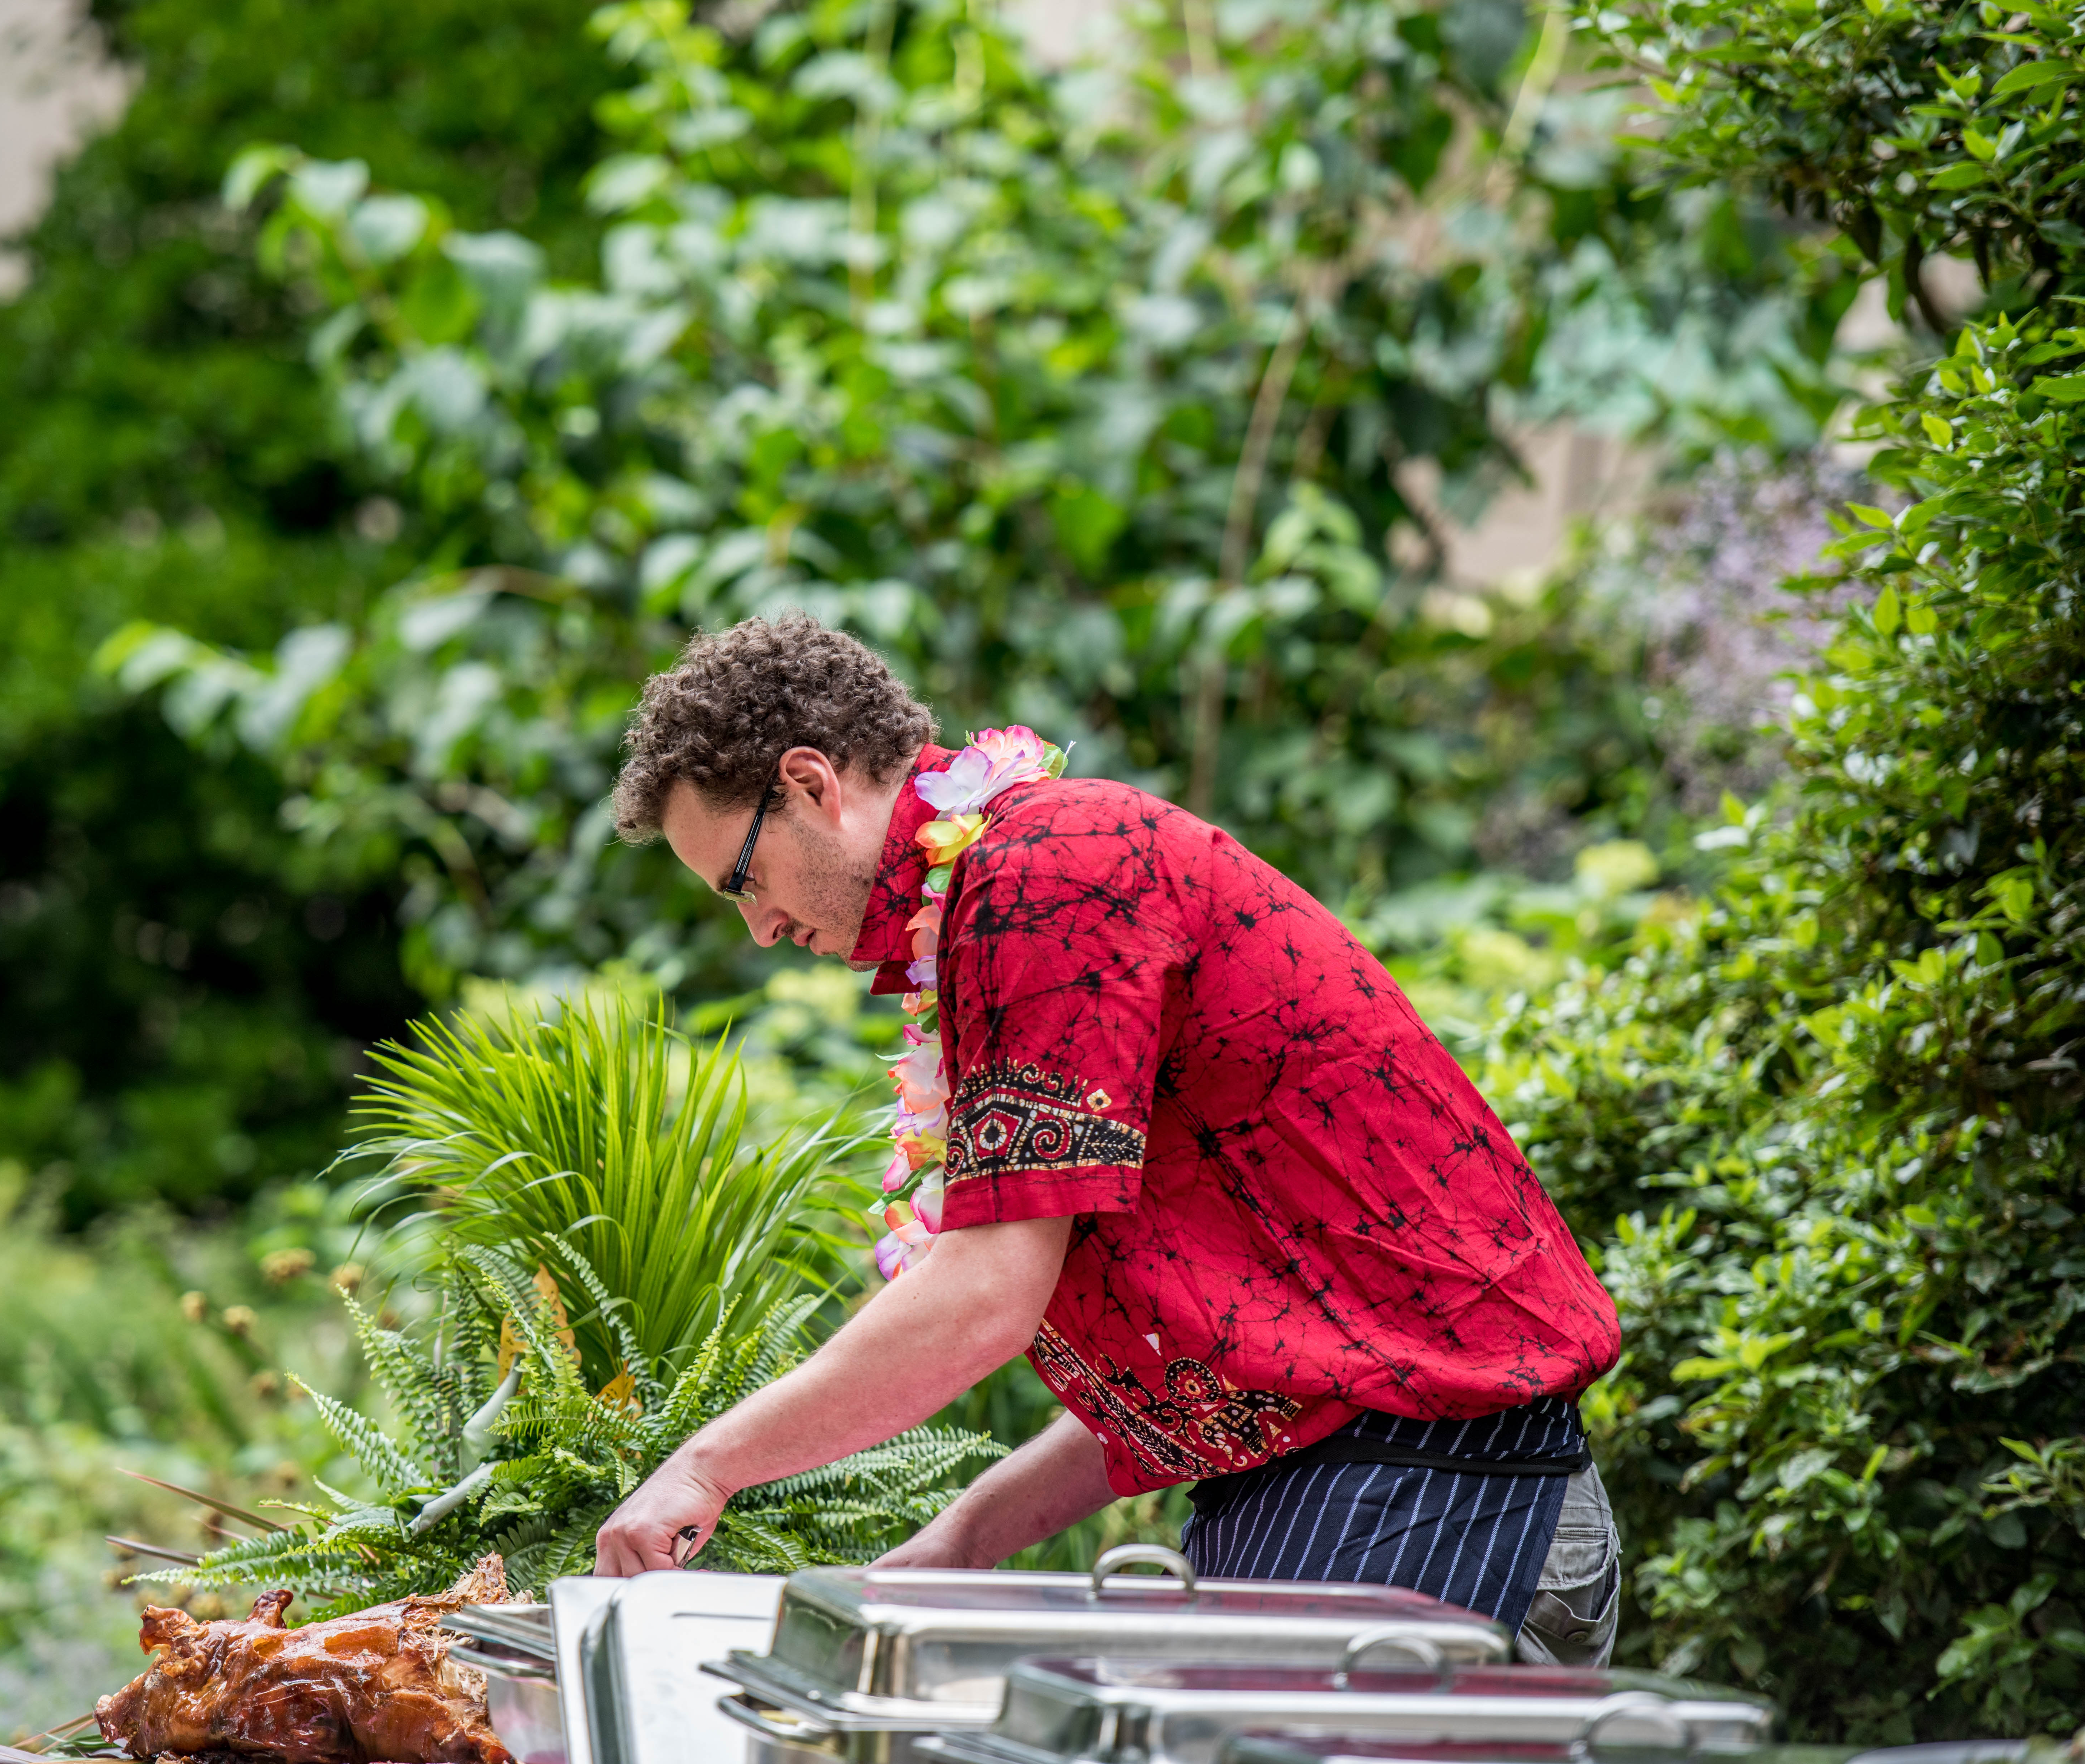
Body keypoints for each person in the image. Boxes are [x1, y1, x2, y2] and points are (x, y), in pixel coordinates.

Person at [590, 612, 1623, 1665]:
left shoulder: (1047, 873)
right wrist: (959, 1543)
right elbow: (1224, 1340)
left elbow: (985, 1296)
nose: (759, 929)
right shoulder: (998, 891)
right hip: (1367, 1482)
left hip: (1440, 1491)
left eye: (742, 880)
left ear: (811, 785)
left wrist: (706, 1467)